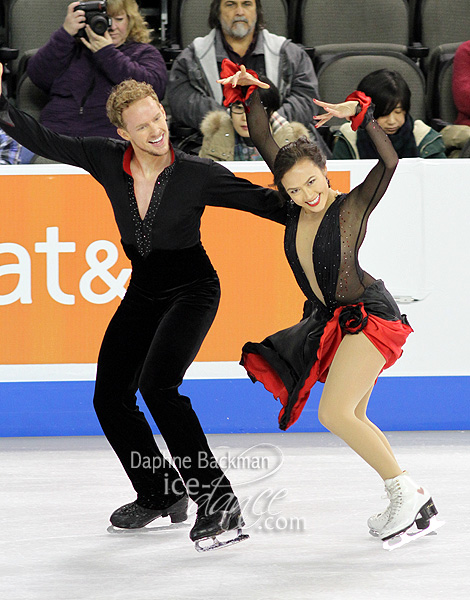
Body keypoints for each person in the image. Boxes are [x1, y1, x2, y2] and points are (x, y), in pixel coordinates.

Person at [0, 64, 289, 550]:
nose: (156, 131)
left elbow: (270, 205)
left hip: (193, 287)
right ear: (123, 133)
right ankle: (159, 492)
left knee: (159, 386)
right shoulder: (104, 158)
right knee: (110, 397)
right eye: (142, 126)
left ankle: (219, 503)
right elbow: (43, 138)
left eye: (158, 119)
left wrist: (320, 203)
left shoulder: (197, 174)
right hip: (144, 289)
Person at [218, 64, 440, 545]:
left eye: (312, 183)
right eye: (294, 189)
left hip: (370, 317)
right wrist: (251, 92)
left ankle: (402, 491)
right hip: (334, 322)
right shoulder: (294, 207)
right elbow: (261, 136)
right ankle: (411, 492)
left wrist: (364, 119)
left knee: (335, 414)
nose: (306, 195)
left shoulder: (350, 206)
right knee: (354, 415)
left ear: (325, 169)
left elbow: (388, 164)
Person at [166, 0, 330, 155]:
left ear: (257, 10)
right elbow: (182, 101)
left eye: (247, 4)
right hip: (211, 147)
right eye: (230, 4)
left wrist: (265, 121)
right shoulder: (191, 57)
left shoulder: (291, 54)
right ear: (217, 12)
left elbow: (306, 98)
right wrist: (230, 122)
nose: (239, 12)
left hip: (282, 142)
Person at [26, 0, 167, 139]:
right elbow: (37, 76)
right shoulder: (70, 48)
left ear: (130, 21)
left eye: (118, 19)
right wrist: (65, 33)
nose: (111, 27)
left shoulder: (144, 52)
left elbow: (154, 89)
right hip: (55, 135)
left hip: (108, 140)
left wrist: (107, 53)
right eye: (104, 19)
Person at [332, 69, 446, 160]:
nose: (392, 121)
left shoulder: (424, 138)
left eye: (398, 112)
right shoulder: (349, 138)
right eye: (384, 114)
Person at [199, 73, 309, 161]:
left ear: (271, 112)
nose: (245, 118)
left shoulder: (294, 142)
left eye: (254, 111)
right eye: (238, 108)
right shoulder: (215, 135)